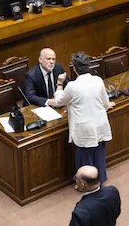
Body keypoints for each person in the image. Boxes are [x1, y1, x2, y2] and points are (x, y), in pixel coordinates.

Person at [48, 52, 113, 182]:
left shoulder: (72, 86)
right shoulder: (98, 80)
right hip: (100, 124)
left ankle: (86, 185)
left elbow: (59, 101)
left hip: (85, 130)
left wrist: (59, 84)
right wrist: (109, 104)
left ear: (74, 68)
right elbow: (106, 104)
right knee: (99, 156)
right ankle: (100, 180)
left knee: (85, 161)